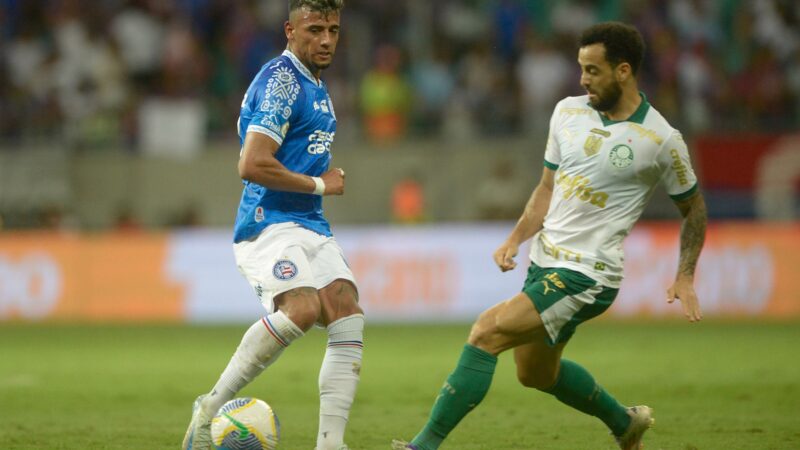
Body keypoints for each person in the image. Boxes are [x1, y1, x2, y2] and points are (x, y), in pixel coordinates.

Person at [392, 22, 707, 450]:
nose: (583, 79)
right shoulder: (567, 112)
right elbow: (546, 187)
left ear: (624, 71)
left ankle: (422, 446)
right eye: (581, 68)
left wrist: (685, 273)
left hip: (588, 275)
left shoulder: (661, 139)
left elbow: (694, 209)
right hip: (544, 263)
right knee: (535, 373)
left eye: (593, 70)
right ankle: (624, 423)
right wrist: (515, 239)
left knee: (487, 332)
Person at [182, 2, 363, 450]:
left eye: (333, 30)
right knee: (301, 309)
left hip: (308, 222)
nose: (325, 39)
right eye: (315, 29)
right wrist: (320, 183)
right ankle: (209, 409)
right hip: (269, 222)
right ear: (289, 30)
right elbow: (252, 163)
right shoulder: (282, 80)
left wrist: (315, 189)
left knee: (346, 311)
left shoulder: (316, 85)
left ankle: (330, 445)